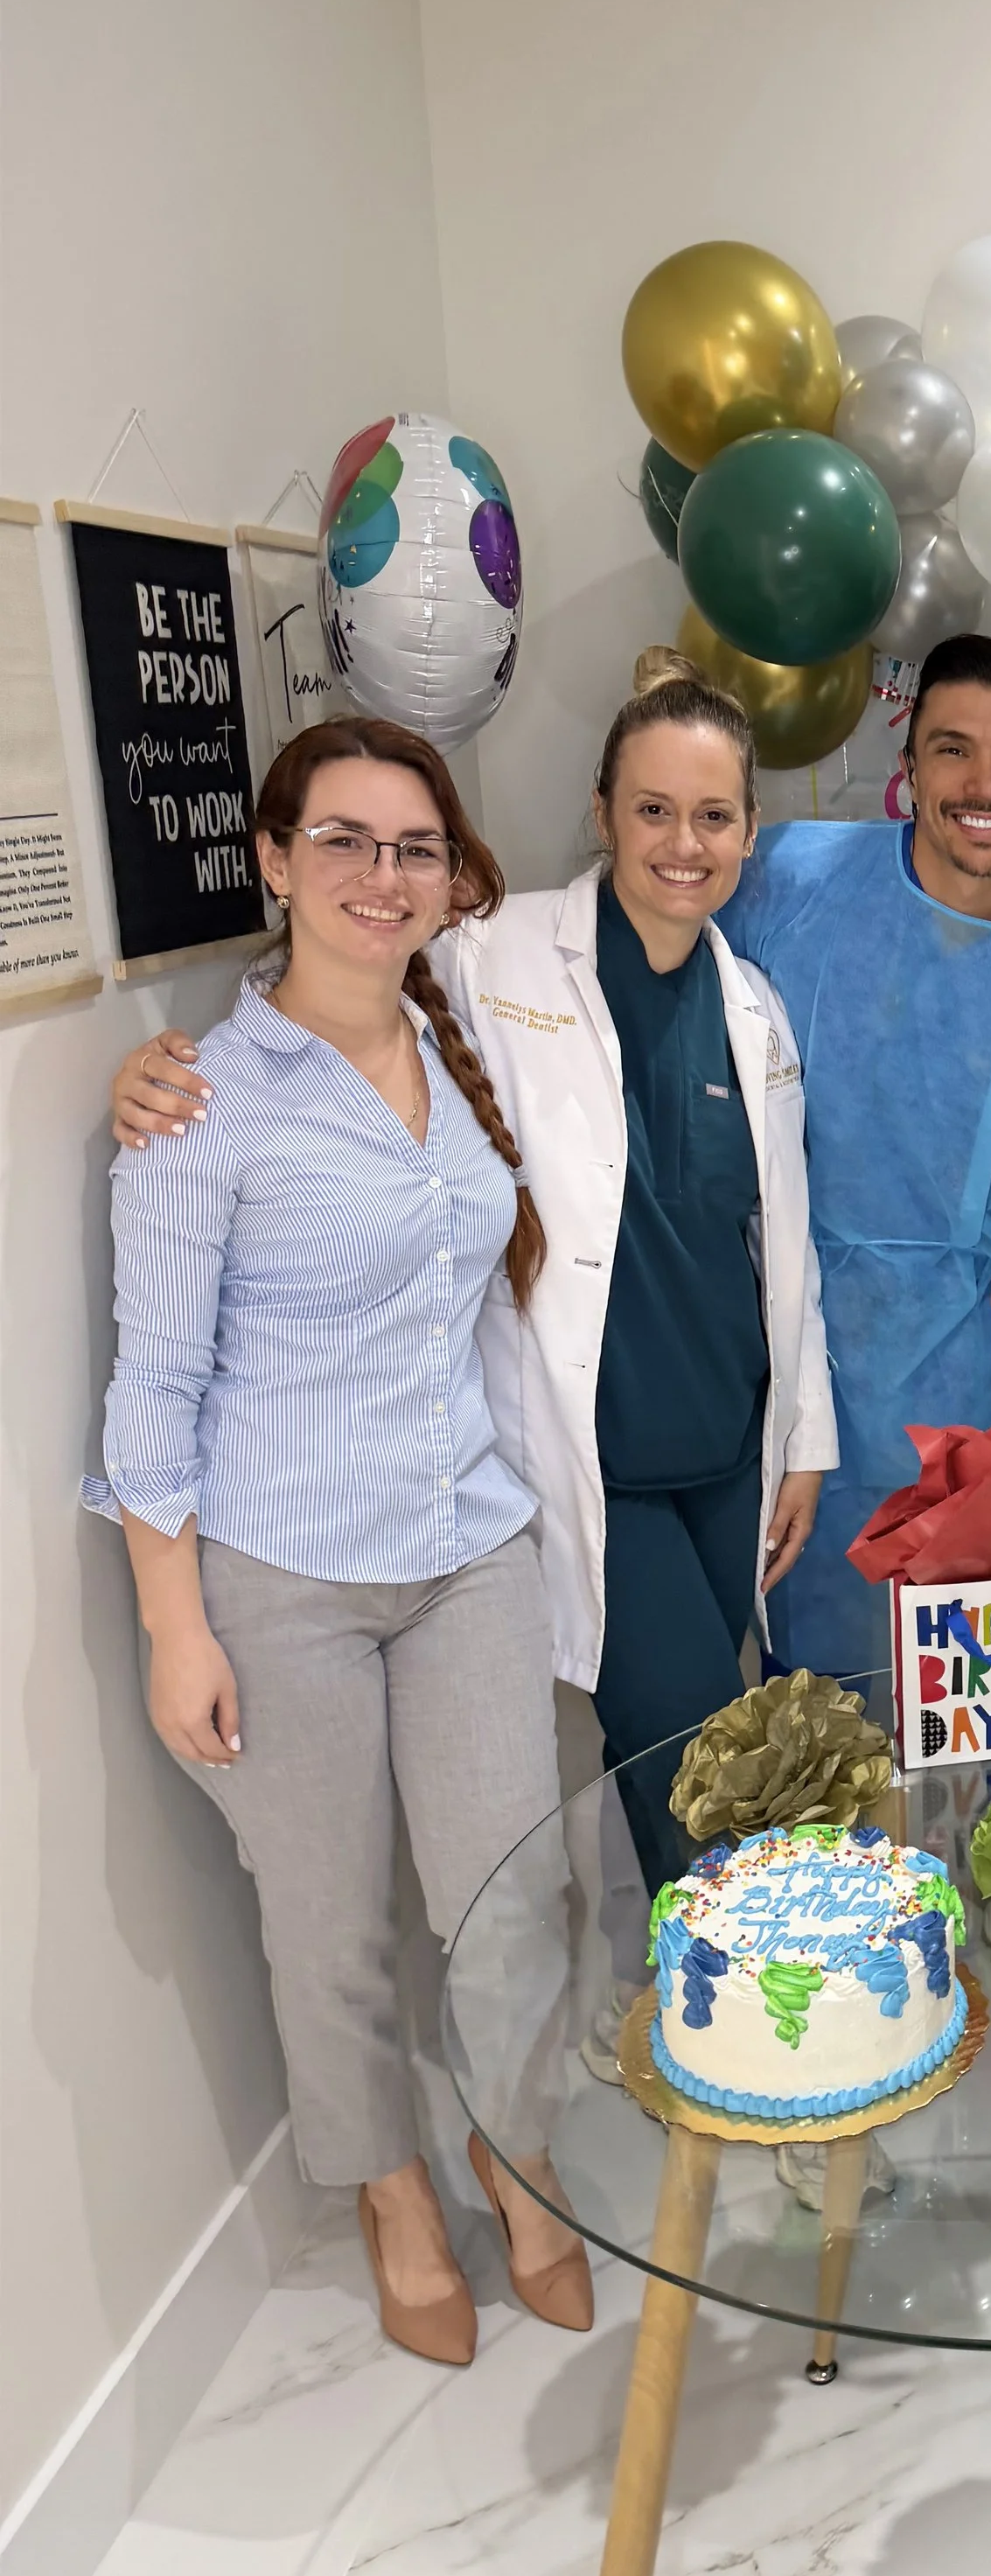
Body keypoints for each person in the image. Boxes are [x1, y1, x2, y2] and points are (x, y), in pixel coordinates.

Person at [111, 662, 838, 2067]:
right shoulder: (496, 956)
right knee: (712, 1765)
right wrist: (155, 1074)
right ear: (602, 814)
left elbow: (780, 1241)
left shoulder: (753, 1007)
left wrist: (801, 1435)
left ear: (749, 833)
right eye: (653, 810)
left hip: (724, 1451)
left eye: (713, 817)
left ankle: (683, 2007)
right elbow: (338, 989)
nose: (683, 844)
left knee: (686, 1750)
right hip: (587, 1458)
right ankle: (762, 2043)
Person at [90, 720, 590, 2367]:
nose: (385, 874)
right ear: (277, 861)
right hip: (281, 1571)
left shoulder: (460, 1043)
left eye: (415, 846)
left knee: (508, 1898)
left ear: (450, 874)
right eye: (347, 841)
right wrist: (174, 1624)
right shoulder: (202, 1103)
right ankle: (390, 2190)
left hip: (466, 1545)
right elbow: (155, 1382)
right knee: (326, 1928)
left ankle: (514, 2156)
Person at [720, 631, 991, 1674]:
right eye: (954, 749)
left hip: (980, 1376)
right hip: (801, 1362)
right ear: (909, 770)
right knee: (822, 1705)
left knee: (979, 1708)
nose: (986, 785)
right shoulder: (790, 881)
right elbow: (655, 930)